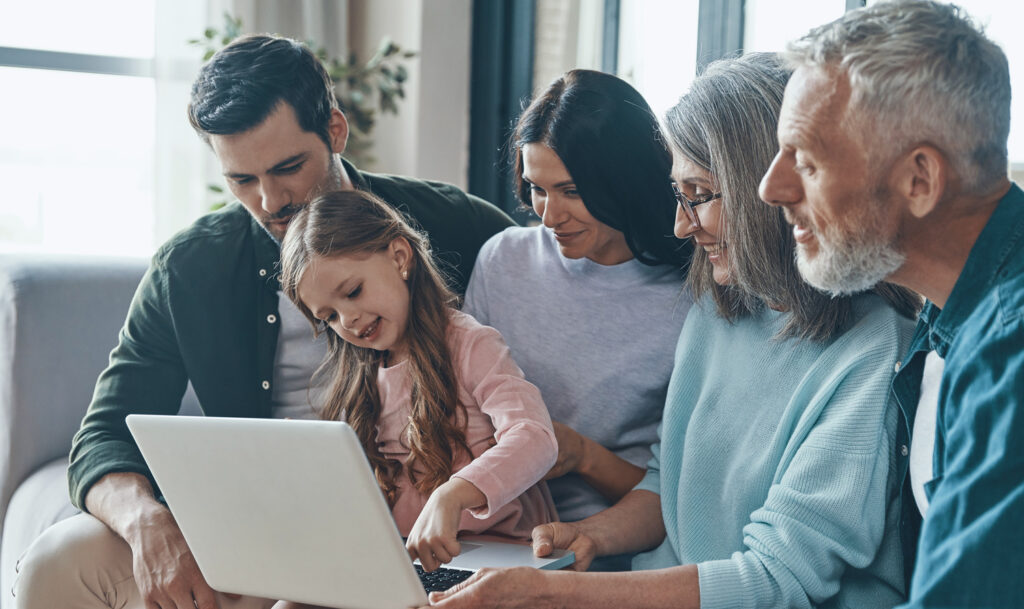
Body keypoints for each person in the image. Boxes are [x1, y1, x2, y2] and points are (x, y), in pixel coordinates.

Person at [12, 34, 513, 609]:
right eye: (241, 180)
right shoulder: (190, 267)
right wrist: (145, 522)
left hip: (419, 537)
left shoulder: (453, 227)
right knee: (59, 563)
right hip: (255, 538)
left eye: (288, 168)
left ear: (335, 131)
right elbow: (103, 435)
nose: (271, 200)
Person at [427, 53, 920, 609]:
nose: (682, 225)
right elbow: (668, 487)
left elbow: (777, 580)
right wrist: (593, 537)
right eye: (678, 196)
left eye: (700, 195)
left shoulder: (874, 351)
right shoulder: (719, 307)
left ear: (773, 190)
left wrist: (556, 593)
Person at [757, 2, 1023, 607]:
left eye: (806, 160)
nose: (770, 188)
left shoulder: (1012, 352)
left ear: (920, 180)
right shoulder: (945, 312)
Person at [462, 70, 692, 569]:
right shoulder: (504, 259)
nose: (548, 216)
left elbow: (680, 494)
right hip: (483, 528)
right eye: (536, 188)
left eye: (570, 191)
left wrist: (580, 455)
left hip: (603, 546)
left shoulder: (690, 300)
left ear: (624, 182)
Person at [278, 189, 557, 578]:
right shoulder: (362, 376)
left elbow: (536, 439)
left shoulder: (470, 345)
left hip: (499, 556)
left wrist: (453, 494)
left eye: (353, 292)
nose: (350, 321)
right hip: (406, 559)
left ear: (399, 257)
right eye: (330, 317)